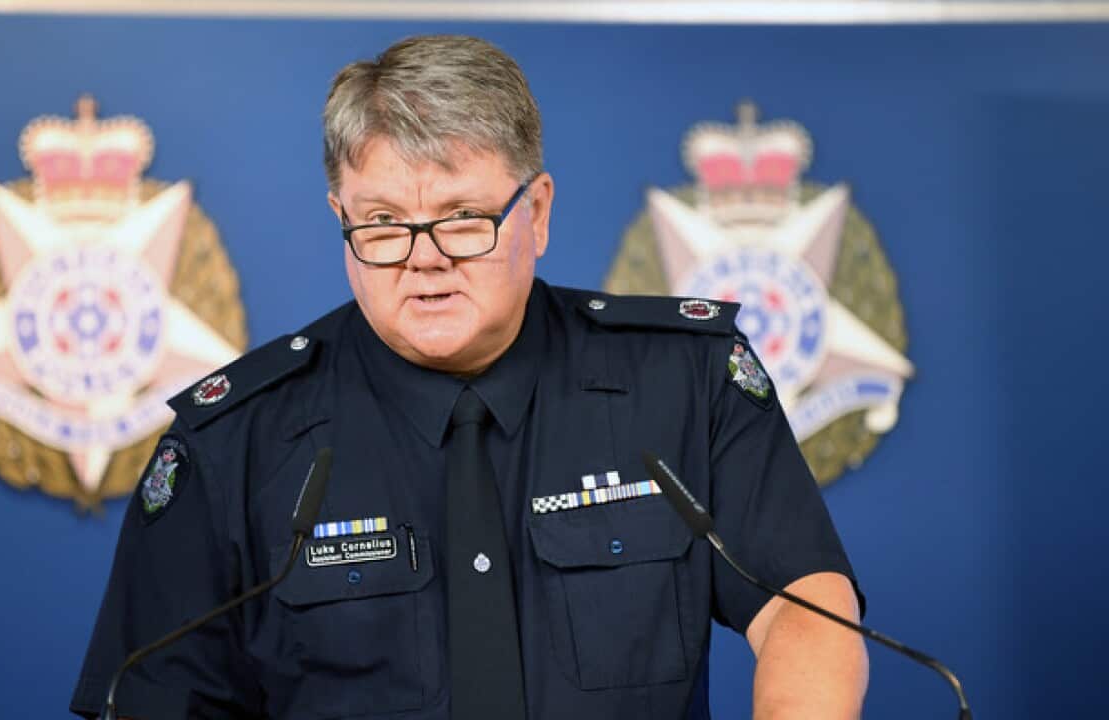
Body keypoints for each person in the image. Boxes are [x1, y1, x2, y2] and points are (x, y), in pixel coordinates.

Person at [71, 34, 867, 720]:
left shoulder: (686, 381)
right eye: (383, 223)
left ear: (537, 213)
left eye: (462, 218)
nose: (425, 259)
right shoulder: (232, 442)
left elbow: (805, 609)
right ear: (341, 220)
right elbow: (152, 698)